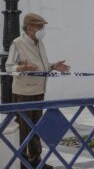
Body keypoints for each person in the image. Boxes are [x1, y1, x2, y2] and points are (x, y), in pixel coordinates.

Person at [6, 13, 70, 169]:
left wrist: (53, 66)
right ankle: (22, 163)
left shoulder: (39, 42)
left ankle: (36, 160)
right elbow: (8, 67)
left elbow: (40, 65)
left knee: (36, 128)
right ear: (30, 28)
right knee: (24, 130)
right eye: (40, 27)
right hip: (23, 94)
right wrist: (20, 68)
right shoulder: (18, 43)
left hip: (39, 91)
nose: (43, 30)